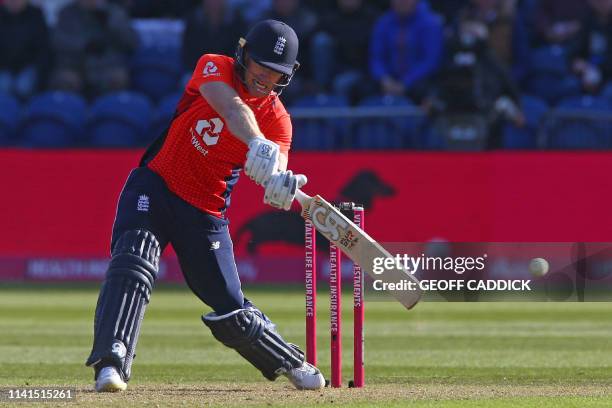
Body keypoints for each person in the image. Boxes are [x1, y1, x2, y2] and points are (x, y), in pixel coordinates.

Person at [85, 19, 325, 393]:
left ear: (287, 76)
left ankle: (288, 360)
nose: (264, 77)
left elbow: (275, 163)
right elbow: (231, 108)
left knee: (230, 308)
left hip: (204, 214)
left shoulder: (280, 121)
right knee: (134, 261)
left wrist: (279, 179)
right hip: (157, 185)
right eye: (260, 64)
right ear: (244, 54)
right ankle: (111, 362)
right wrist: (256, 143)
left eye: (275, 73)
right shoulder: (214, 66)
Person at [50, 0, 138, 98]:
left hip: (108, 65)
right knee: (66, 79)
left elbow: (131, 42)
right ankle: (68, 111)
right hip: (76, 65)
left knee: (118, 78)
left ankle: (112, 112)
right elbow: (59, 41)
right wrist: (85, 46)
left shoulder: (115, 12)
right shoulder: (66, 13)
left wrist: (112, 22)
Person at [369, 0, 444, 102]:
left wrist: (405, 82)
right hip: (388, 80)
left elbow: (430, 61)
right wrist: (384, 78)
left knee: (426, 92)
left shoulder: (430, 23)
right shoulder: (383, 22)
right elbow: (377, 56)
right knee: (362, 89)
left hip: (419, 80)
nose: (401, 2)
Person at [0, 0, 49, 99]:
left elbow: (43, 48)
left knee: (24, 86)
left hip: (29, 65)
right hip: (4, 67)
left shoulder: (36, 15)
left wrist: (39, 70)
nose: (14, 2)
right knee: (4, 86)